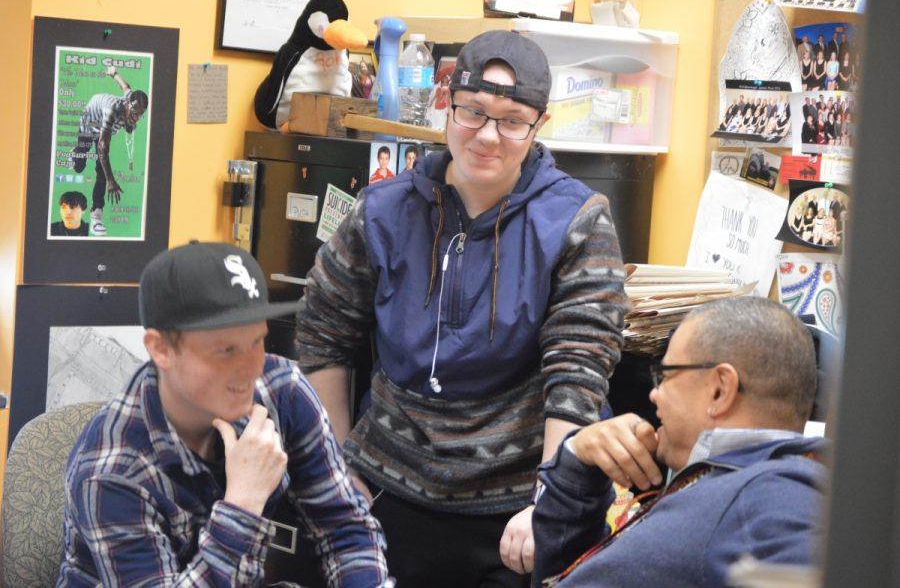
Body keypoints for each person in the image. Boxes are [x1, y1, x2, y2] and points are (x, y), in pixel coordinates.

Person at [295, 29, 628, 587]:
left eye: (513, 120)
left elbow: (579, 371)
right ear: (447, 107)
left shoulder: (578, 221)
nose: (488, 136)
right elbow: (322, 334)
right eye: (472, 112)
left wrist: (550, 499)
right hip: (387, 491)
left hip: (512, 513)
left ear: (538, 126)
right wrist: (338, 472)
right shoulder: (382, 210)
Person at [58, 241, 391, 587]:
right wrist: (243, 503)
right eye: (225, 349)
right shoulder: (111, 471)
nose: (250, 369)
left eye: (256, 341)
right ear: (161, 350)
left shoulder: (283, 390)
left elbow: (344, 527)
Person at [532, 297, 827, 587]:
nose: (654, 394)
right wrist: (577, 464)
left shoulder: (771, 494)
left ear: (719, 391)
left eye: (665, 375)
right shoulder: (750, 482)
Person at [71, 65, 148, 237]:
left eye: (140, 114)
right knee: (80, 167)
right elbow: (102, 150)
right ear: (127, 105)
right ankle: (77, 151)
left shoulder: (131, 98)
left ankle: (96, 213)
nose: (136, 117)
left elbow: (125, 86)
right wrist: (111, 181)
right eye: (134, 112)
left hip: (106, 126)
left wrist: (114, 73)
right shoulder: (112, 111)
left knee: (100, 171)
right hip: (91, 122)